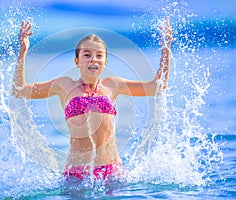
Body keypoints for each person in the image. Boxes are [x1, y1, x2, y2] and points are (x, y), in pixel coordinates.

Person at [12, 18, 172, 180]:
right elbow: (19, 91)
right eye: (87, 55)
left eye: (99, 55)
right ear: (77, 61)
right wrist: (23, 53)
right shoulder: (64, 85)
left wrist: (166, 50)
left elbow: (157, 88)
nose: (93, 59)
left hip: (112, 172)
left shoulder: (113, 85)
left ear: (105, 62)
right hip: (76, 174)